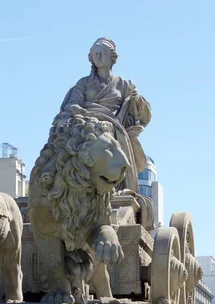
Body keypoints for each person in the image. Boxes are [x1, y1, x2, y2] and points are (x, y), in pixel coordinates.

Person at [52, 37, 152, 192]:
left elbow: (137, 112)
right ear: (91, 58)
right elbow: (72, 103)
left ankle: (115, 181)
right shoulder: (83, 83)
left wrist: (136, 98)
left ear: (112, 57)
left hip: (112, 127)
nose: (98, 56)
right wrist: (77, 110)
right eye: (95, 53)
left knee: (107, 134)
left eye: (102, 53)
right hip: (88, 124)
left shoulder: (122, 84)